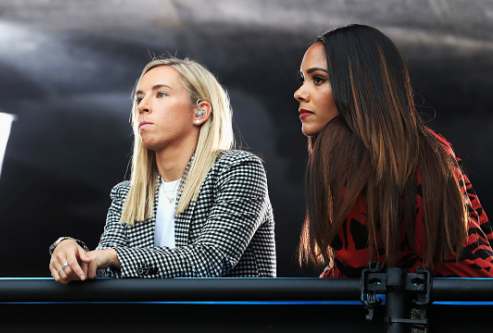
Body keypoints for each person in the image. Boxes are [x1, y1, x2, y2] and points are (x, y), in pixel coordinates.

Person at [49, 57, 276, 283]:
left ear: (200, 112)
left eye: (161, 94)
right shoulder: (127, 193)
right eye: (139, 97)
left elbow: (211, 259)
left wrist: (112, 257)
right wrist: (70, 249)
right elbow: (106, 269)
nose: (142, 106)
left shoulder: (238, 169)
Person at [295, 24, 493, 278]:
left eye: (318, 79)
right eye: (303, 80)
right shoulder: (431, 146)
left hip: (456, 310)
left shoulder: (351, 153)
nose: (299, 93)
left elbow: (354, 271)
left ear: (359, 85)